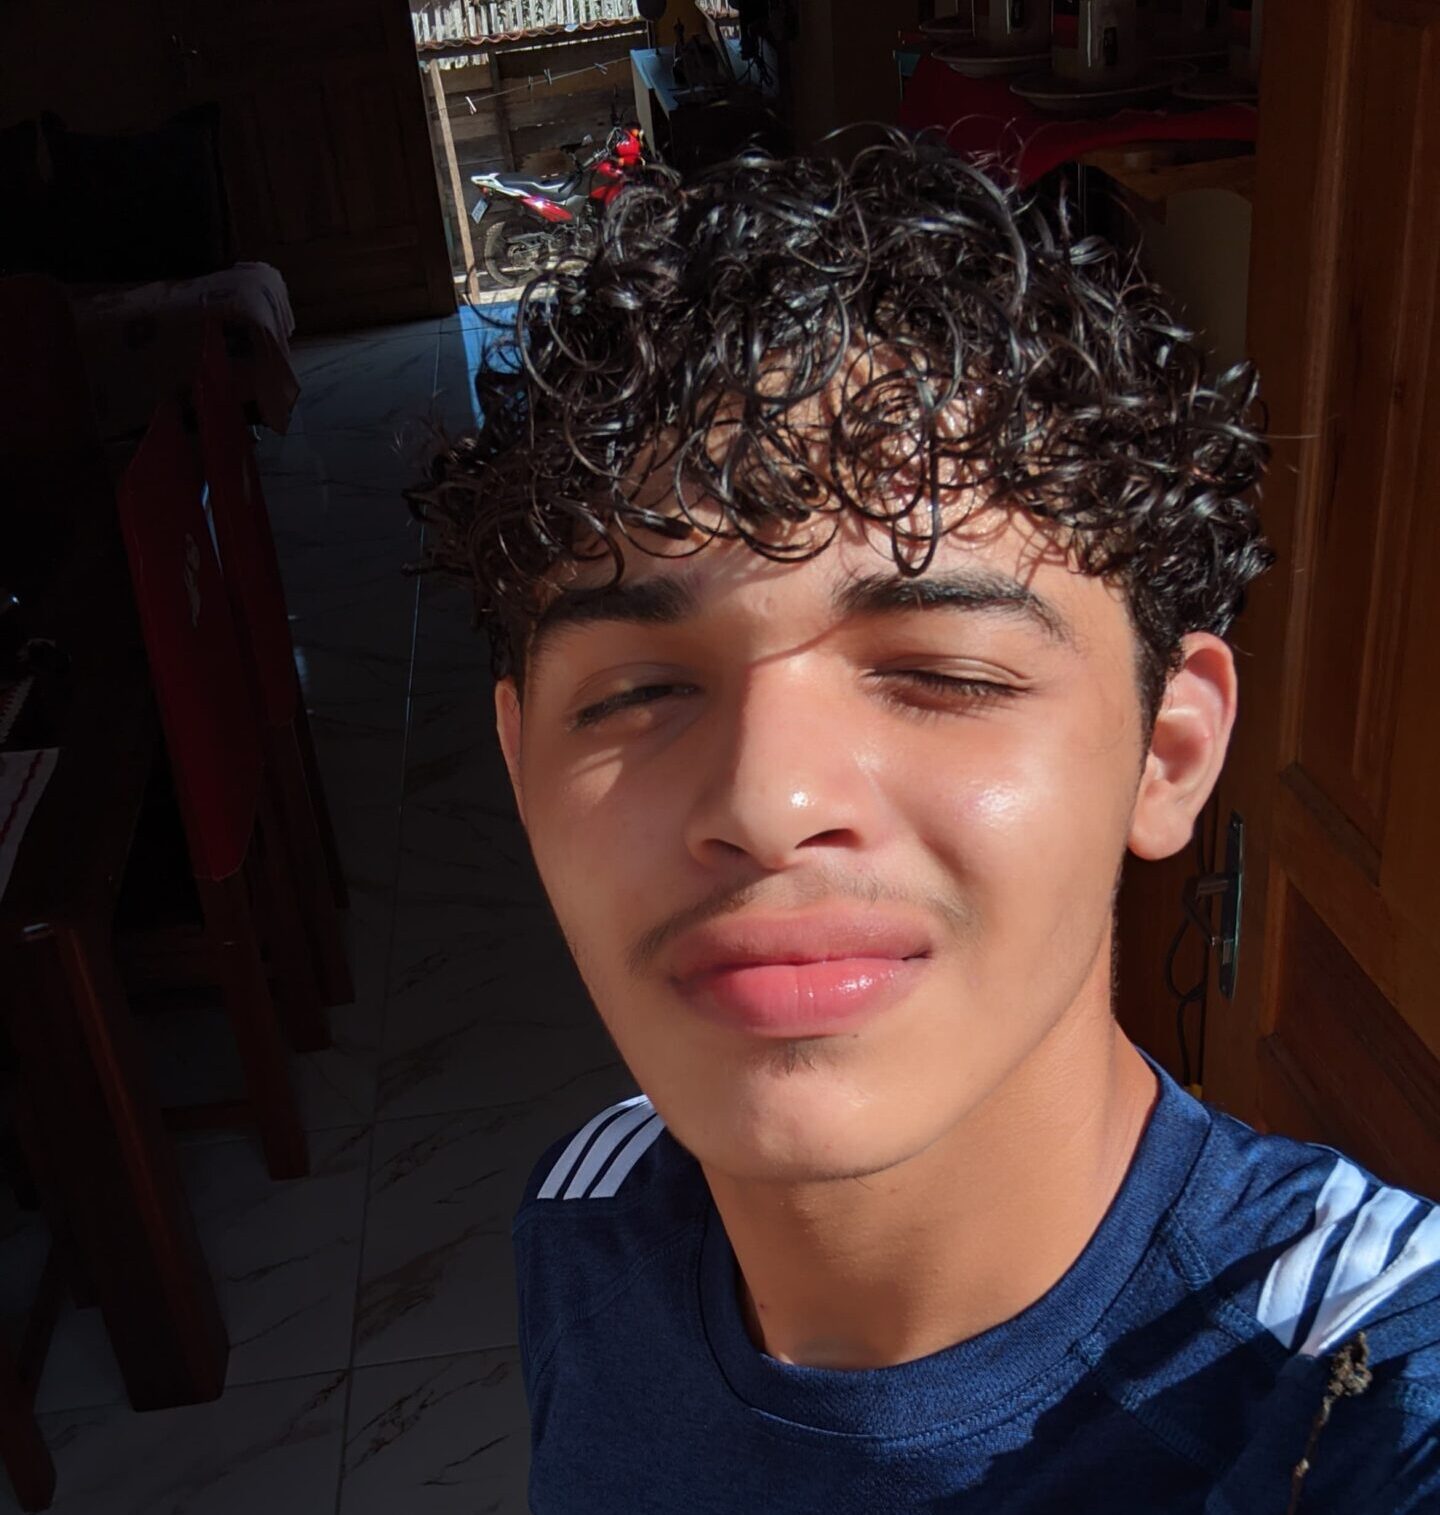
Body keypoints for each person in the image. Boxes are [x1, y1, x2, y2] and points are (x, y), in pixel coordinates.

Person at [409, 133, 1440, 1512]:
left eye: (947, 675)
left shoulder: (1349, 1384)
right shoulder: (590, 1213)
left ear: (1168, 753)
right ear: (521, 763)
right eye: (640, 692)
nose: (768, 805)